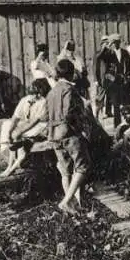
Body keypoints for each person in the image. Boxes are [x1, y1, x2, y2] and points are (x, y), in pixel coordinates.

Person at [46, 59, 92, 215]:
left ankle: (72, 206)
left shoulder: (51, 91)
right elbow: (68, 114)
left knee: (66, 171)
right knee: (83, 166)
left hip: (54, 135)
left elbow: (47, 115)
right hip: (69, 133)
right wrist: (81, 129)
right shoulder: (69, 90)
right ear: (72, 74)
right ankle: (66, 201)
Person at [0, 78, 50, 177]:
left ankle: (13, 167)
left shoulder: (44, 102)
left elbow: (35, 121)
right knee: (8, 126)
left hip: (40, 125)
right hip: (27, 123)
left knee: (21, 137)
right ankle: (9, 165)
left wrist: (20, 131)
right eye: (34, 93)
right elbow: (16, 117)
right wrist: (10, 132)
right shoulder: (25, 99)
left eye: (39, 93)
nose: (36, 96)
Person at [96, 33, 130, 127]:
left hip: (124, 82)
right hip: (112, 83)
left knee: (127, 105)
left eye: (118, 42)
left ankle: (128, 124)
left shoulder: (124, 52)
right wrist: (106, 47)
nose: (117, 44)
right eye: (114, 42)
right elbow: (99, 58)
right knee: (116, 105)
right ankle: (117, 125)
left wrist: (129, 76)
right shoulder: (107, 53)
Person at [92, 35, 110, 119]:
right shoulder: (98, 53)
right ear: (102, 43)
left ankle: (105, 112)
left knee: (107, 96)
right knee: (100, 96)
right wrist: (95, 79)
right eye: (105, 43)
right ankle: (97, 112)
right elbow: (95, 67)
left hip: (108, 78)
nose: (107, 44)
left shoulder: (109, 53)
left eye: (108, 43)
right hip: (100, 78)